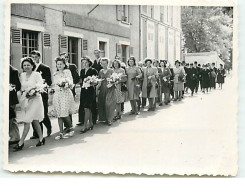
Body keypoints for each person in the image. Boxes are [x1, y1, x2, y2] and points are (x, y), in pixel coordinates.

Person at [14, 57, 45, 151]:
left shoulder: (36, 74)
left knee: (27, 120)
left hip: (35, 99)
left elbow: (40, 86)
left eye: (28, 65)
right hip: (26, 100)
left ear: (32, 65)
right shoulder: (22, 75)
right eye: (24, 65)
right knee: (35, 120)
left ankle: (21, 143)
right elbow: (20, 88)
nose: (26, 67)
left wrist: (34, 92)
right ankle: (41, 138)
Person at [52, 57, 76, 139]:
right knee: (59, 114)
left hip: (65, 94)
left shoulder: (67, 72)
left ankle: (71, 128)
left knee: (64, 112)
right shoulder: (55, 74)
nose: (59, 65)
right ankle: (61, 132)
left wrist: (66, 84)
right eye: (58, 64)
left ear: (64, 64)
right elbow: (54, 85)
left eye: (61, 64)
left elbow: (71, 82)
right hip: (58, 94)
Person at [30, 50, 52, 139]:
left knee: (43, 112)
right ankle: (36, 132)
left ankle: (49, 127)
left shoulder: (45, 68)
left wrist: (41, 84)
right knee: (33, 112)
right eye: (32, 57)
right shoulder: (30, 68)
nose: (34, 59)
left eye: (35, 57)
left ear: (39, 57)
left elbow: (49, 82)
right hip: (32, 93)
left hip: (42, 93)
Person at [79, 57, 98, 133]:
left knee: (87, 107)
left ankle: (85, 126)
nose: (84, 64)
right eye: (83, 63)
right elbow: (81, 80)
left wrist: (90, 82)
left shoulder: (93, 70)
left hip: (90, 90)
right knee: (86, 108)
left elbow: (96, 82)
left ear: (89, 63)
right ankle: (90, 123)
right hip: (83, 90)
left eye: (86, 62)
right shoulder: (82, 71)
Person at [97, 58, 117, 126]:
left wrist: (112, 81)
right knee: (102, 103)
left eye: (105, 63)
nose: (104, 65)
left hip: (110, 88)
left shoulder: (111, 70)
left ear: (108, 63)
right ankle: (104, 118)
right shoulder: (100, 71)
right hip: (103, 88)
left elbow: (115, 79)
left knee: (109, 104)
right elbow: (98, 79)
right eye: (102, 63)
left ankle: (110, 119)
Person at [9, 65, 21, 145]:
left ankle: (15, 137)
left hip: (11, 98)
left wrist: (9, 88)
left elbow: (18, 86)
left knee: (11, 117)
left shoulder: (13, 71)